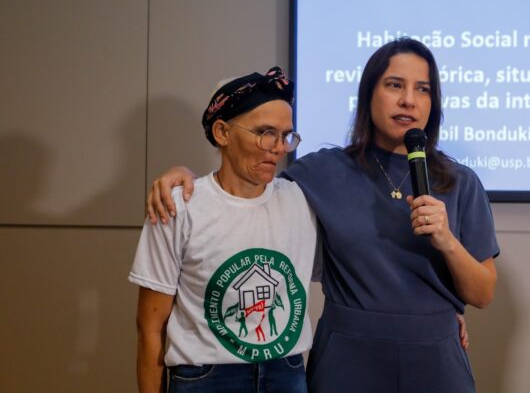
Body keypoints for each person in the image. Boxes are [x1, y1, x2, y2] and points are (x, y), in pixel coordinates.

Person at [147, 38, 499, 393]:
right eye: (394, 85)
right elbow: (248, 188)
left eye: (422, 89)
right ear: (368, 94)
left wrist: (447, 242)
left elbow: (483, 294)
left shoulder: (460, 182)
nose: (408, 99)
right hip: (349, 356)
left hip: (435, 357)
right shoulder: (323, 171)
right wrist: (186, 177)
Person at [131, 67, 317, 393]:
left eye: (286, 135)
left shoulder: (302, 199)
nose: (279, 147)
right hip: (205, 377)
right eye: (265, 132)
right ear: (222, 133)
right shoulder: (179, 206)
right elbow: (149, 327)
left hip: (285, 371)